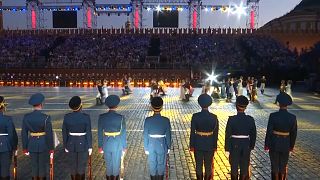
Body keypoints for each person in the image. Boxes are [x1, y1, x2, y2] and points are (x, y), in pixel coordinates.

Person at [21, 93, 54, 180]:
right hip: (43, 144)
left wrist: (25, 148)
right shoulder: (46, 117)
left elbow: (24, 133)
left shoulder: (26, 117)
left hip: (32, 144)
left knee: (34, 166)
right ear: (41, 104)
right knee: (42, 166)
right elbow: (49, 135)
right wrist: (51, 148)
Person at [265, 92, 297, 180]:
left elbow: (269, 132)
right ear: (287, 105)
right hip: (286, 143)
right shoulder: (292, 117)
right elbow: (294, 133)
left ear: (279, 104)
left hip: (274, 143)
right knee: (283, 165)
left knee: (274, 165)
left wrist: (267, 145)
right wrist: (291, 146)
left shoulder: (273, 116)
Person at [225, 96, 257, 180]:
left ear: (236, 106)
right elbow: (253, 134)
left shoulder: (232, 119)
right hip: (246, 144)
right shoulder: (250, 119)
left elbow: (227, 134)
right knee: (244, 166)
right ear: (245, 107)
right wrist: (251, 146)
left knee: (234, 167)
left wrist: (227, 148)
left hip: (234, 144)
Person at [62, 96, 93, 180]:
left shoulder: (67, 117)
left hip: (71, 143)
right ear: (80, 105)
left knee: (72, 167)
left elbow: (64, 133)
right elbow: (88, 133)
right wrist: (90, 146)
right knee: (81, 167)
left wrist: (65, 146)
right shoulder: (86, 117)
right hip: (83, 143)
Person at [189, 94, 219, 180]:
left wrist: (191, 145)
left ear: (200, 104)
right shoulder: (214, 117)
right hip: (209, 143)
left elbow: (192, 132)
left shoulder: (195, 116)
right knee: (208, 165)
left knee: (198, 165)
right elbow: (215, 133)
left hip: (198, 142)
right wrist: (215, 146)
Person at [98, 95, 127, 180]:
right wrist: (124, 146)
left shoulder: (102, 117)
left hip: (106, 142)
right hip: (117, 143)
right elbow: (123, 133)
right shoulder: (121, 118)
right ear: (117, 105)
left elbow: (100, 132)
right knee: (116, 164)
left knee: (108, 164)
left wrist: (100, 146)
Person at [144, 97, 171, 180]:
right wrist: (168, 146)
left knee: (152, 163)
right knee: (161, 164)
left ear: (152, 107)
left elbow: (145, 135)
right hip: (162, 144)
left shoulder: (147, 120)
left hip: (151, 144)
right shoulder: (166, 120)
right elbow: (168, 135)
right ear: (162, 107)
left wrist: (146, 147)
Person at [0, 96, 18, 179]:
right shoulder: (7, 119)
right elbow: (12, 135)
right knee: (4, 170)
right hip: (5, 146)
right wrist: (14, 146)